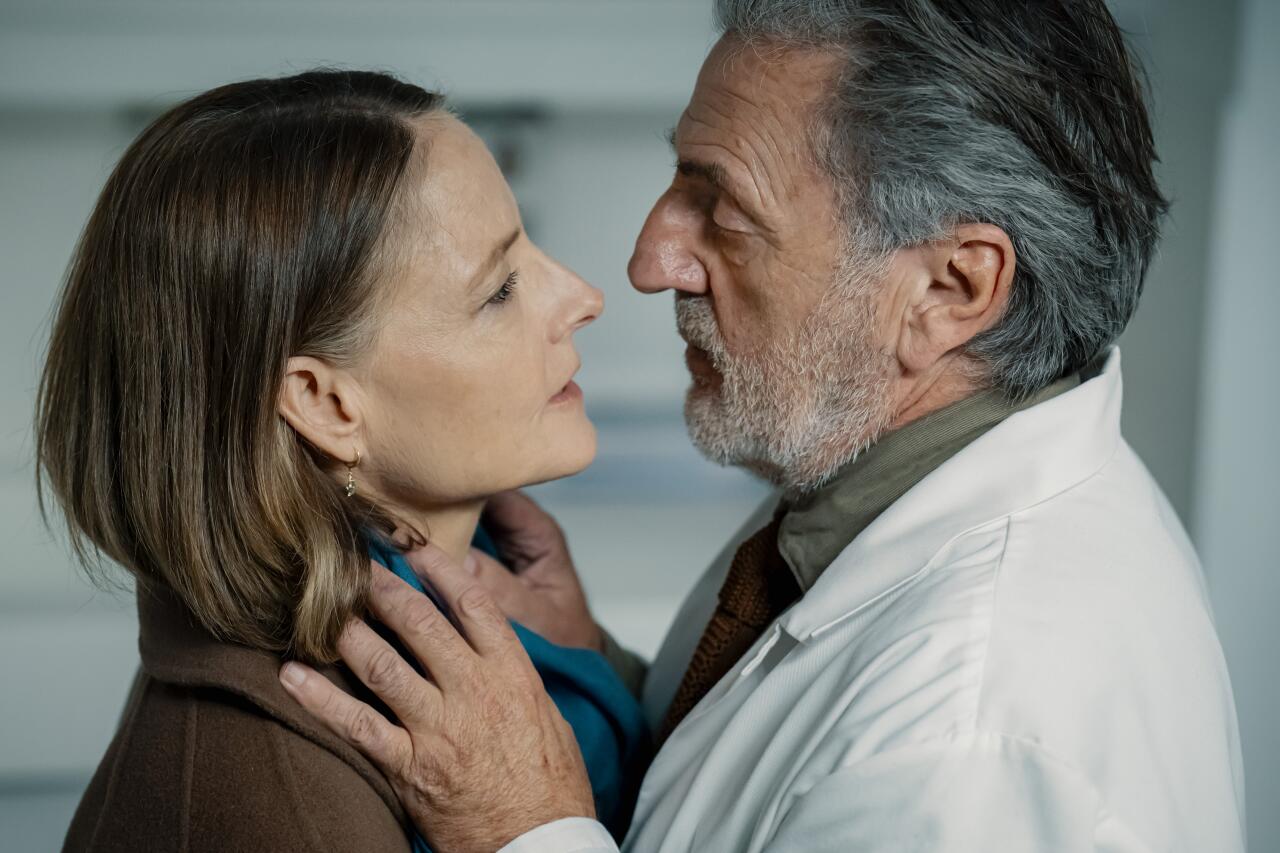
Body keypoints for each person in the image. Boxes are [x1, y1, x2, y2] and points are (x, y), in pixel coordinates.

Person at [281, 1, 1247, 851]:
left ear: (952, 288)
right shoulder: (871, 476)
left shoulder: (972, 748)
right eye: (679, 179)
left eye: (723, 208)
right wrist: (605, 674)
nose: (648, 262)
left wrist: (522, 831)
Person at [37, 70, 648, 852]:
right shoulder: (278, 808)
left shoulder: (474, 587)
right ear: (326, 405)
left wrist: (588, 651)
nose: (585, 295)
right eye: (499, 289)